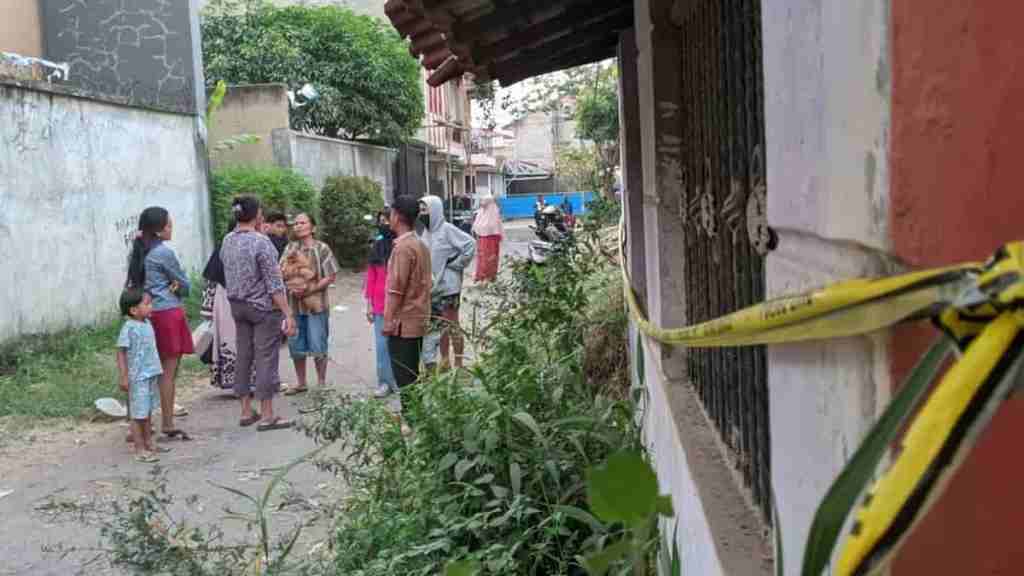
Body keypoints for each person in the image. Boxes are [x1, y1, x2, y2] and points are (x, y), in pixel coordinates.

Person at [220, 195, 297, 431]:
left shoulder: (227, 240)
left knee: (243, 355)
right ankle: (267, 414)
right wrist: (288, 313)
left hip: (237, 305)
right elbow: (274, 284)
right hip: (261, 308)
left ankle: (245, 410)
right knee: (266, 357)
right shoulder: (262, 242)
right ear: (257, 215)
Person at [126, 206, 193, 442]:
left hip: (145, 315)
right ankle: (167, 423)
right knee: (168, 372)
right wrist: (177, 286)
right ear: (159, 229)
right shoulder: (163, 253)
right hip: (166, 312)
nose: (171, 228)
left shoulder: (138, 251)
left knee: (144, 370)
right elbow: (184, 285)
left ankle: (139, 424)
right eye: (168, 225)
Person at [280, 213, 339, 395]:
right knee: (296, 343)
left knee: (318, 342)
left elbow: (331, 275)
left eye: (302, 222)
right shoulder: (290, 248)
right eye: (296, 223)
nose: (298, 226)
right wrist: (292, 285)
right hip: (294, 305)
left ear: (312, 227)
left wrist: (310, 290)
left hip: (317, 305)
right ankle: (301, 382)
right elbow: (281, 271)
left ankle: (321, 382)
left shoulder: (322, 249)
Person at [383, 195, 432, 407]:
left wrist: (388, 319)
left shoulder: (403, 248)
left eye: (391, 213)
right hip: (418, 319)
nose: (389, 218)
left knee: (405, 379)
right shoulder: (419, 244)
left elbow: (396, 289)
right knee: (412, 374)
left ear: (398, 216)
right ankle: (416, 421)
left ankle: (413, 422)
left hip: (403, 323)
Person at [419, 195, 476, 371]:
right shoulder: (426, 233)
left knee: (452, 325)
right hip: (434, 288)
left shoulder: (447, 229)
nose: (422, 213)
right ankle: (445, 362)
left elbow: (470, 244)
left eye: (425, 210)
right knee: (439, 326)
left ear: (435, 210)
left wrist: (456, 264)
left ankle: (458, 363)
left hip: (449, 286)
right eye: (420, 210)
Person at [200, 221, 252, 392]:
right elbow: (212, 280)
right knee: (231, 340)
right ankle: (240, 382)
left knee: (245, 339)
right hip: (225, 301)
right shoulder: (224, 247)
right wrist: (207, 308)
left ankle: (247, 381)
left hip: (243, 300)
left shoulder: (253, 245)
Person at [116, 289, 166, 463]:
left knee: (148, 411)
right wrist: (123, 376)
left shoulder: (147, 323)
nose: (151, 306)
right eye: (146, 304)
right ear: (133, 310)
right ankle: (139, 448)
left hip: (151, 373)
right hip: (137, 377)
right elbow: (121, 352)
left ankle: (149, 442)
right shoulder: (129, 328)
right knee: (138, 414)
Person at [365, 207, 398, 398]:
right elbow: (371, 277)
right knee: (381, 345)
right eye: (381, 221)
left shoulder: (402, 245)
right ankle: (384, 382)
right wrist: (368, 304)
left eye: (387, 220)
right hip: (379, 304)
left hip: (400, 304)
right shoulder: (376, 248)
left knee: (399, 344)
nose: (384, 224)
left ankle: (400, 381)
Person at [472, 193, 504, 283]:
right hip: (488, 239)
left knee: (487, 258)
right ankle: (486, 276)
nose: (482, 204)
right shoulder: (487, 212)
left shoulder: (489, 212)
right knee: (486, 258)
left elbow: (477, 227)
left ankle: (487, 276)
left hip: (489, 239)